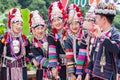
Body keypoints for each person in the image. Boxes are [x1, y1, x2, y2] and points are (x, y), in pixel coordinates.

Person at [85, 3, 120, 80]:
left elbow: (116, 49)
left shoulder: (115, 34)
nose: (95, 21)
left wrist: (102, 37)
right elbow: (93, 55)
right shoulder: (99, 33)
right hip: (95, 75)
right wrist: (88, 73)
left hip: (109, 76)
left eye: (97, 18)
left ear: (104, 19)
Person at [0, 8, 33, 80]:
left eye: (21, 25)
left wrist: (34, 60)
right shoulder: (4, 38)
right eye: (17, 24)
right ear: (11, 24)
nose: (19, 26)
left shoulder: (24, 39)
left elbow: (29, 53)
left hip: (21, 70)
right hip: (7, 71)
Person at [65, 4, 88, 80]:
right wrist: (71, 74)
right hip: (74, 70)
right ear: (68, 25)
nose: (74, 26)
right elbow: (69, 58)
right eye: (71, 24)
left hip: (87, 69)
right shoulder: (68, 38)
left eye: (76, 23)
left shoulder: (85, 34)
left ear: (80, 23)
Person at [48, 1, 67, 80]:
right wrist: (53, 68)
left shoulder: (69, 33)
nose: (57, 22)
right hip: (60, 67)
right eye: (54, 21)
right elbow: (52, 53)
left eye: (59, 19)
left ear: (63, 20)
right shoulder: (51, 36)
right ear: (52, 23)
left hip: (72, 65)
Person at [29, 10, 49, 80]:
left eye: (42, 28)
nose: (40, 31)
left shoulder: (50, 38)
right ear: (33, 30)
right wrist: (52, 65)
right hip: (41, 71)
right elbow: (38, 58)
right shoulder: (33, 43)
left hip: (55, 70)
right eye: (38, 28)